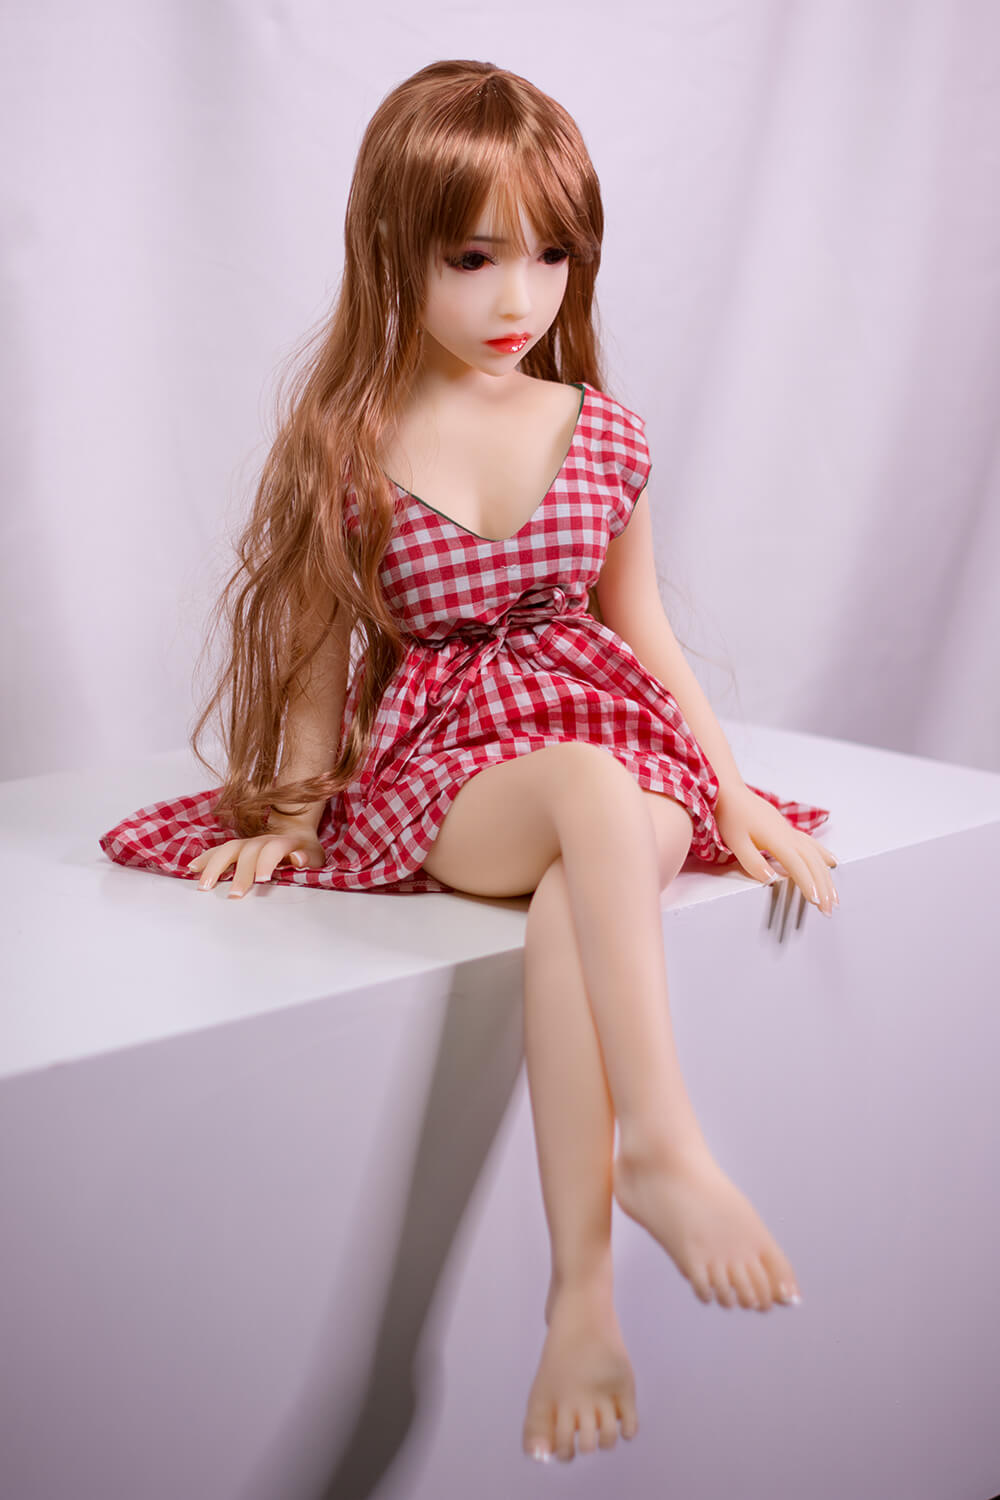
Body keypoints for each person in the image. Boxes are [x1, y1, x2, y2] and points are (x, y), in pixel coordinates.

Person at [99, 58, 838, 1466]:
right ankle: (661, 1143)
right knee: (589, 798)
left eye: (551, 256)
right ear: (396, 247)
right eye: (474, 258)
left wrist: (731, 791)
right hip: (455, 766)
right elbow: (316, 650)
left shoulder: (600, 430)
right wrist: (294, 809)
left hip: (617, 740)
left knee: (588, 870)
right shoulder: (351, 441)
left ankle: (581, 1300)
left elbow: (646, 633)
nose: (520, 299)